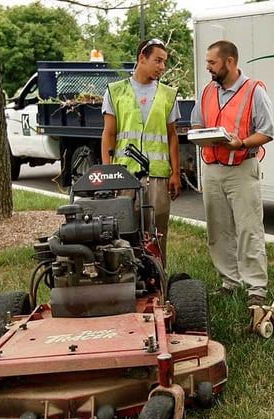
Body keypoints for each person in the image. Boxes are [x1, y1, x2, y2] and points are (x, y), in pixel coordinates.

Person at [190, 40, 274, 307]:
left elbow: (267, 131)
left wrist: (241, 143)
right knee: (218, 228)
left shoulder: (253, 91)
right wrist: (202, 136)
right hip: (212, 169)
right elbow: (196, 123)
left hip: (242, 168)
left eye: (212, 62)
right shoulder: (207, 91)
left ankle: (256, 287)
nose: (208, 67)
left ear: (229, 62)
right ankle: (229, 281)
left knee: (249, 229)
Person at [101, 38, 181, 262]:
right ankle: (125, 274)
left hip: (157, 175)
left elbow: (172, 135)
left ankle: (157, 276)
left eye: (164, 62)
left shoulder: (167, 94)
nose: (162, 67)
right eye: (158, 60)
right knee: (123, 230)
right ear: (141, 58)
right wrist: (108, 173)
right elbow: (109, 134)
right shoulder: (115, 92)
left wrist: (175, 172)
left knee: (156, 233)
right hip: (124, 175)